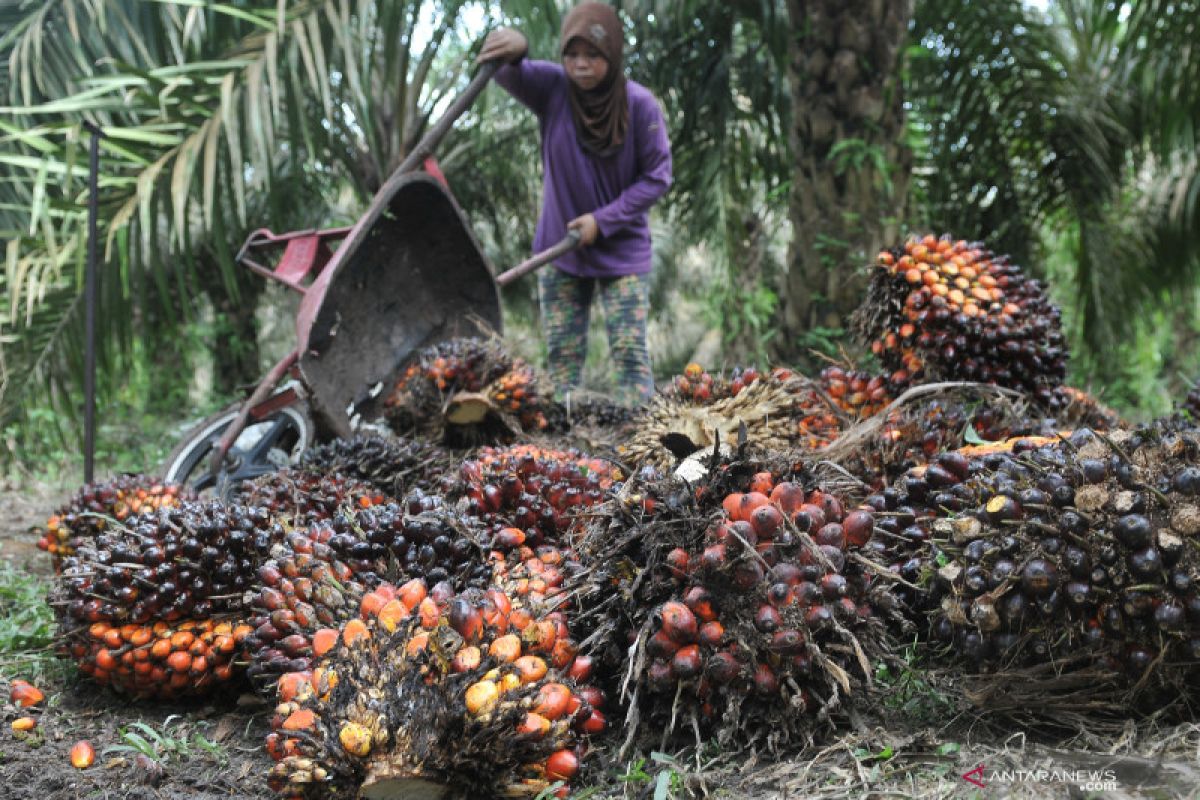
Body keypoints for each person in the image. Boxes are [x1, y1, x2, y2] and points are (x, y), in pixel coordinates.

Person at [477, 2, 672, 406]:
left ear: (613, 55)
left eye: (593, 55)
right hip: (560, 251)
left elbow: (657, 177)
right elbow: (503, 70)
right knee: (562, 363)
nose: (581, 65)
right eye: (572, 54)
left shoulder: (640, 106)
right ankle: (564, 452)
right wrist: (518, 46)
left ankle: (641, 448)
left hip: (623, 254)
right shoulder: (553, 89)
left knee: (631, 357)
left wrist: (602, 221)